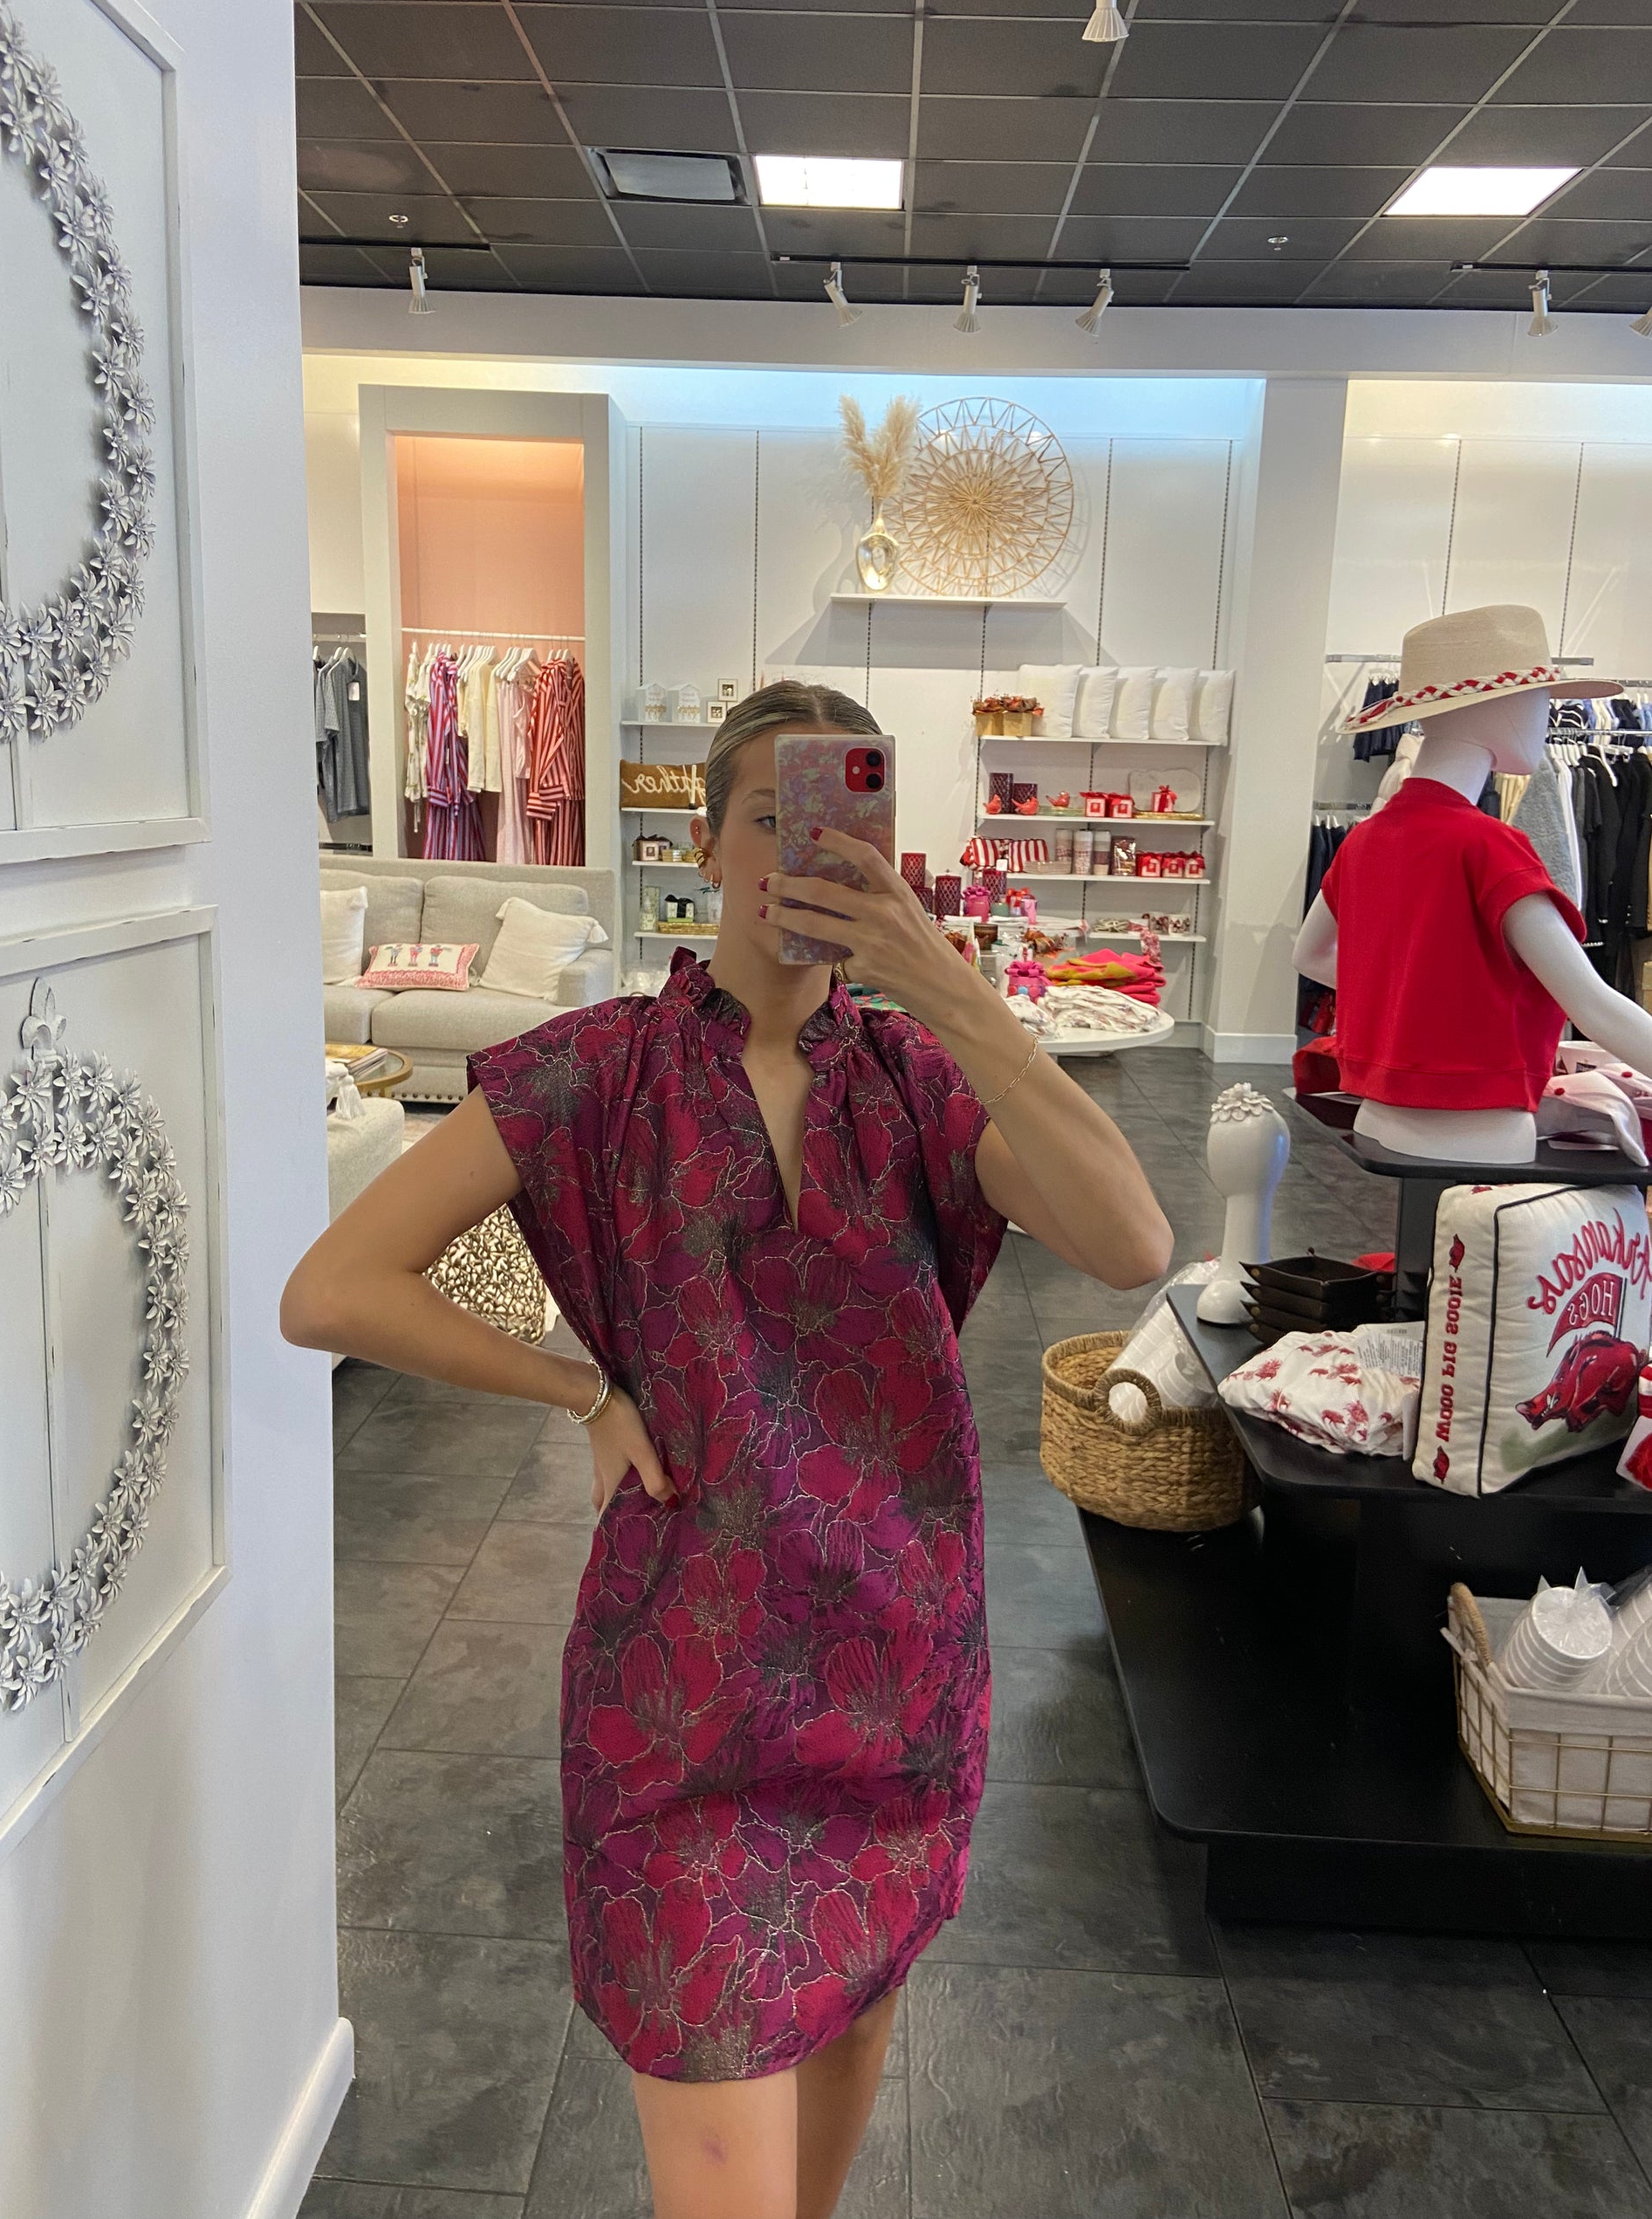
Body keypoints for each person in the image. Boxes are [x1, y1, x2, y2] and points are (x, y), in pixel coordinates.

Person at [281, 681, 1171, 2219]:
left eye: (851, 822)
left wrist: (946, 988)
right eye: (773, 815)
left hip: (895, 1673)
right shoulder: (596, 1070)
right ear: (707, 843)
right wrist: (580, 1393)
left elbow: (1132, 1240)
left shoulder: (917, 1082)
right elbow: (331, 1289)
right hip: (680, 1693)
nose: (812, 851)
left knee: (834, 2100)